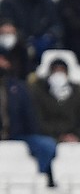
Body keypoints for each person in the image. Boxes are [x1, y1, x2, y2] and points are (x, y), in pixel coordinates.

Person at [0, 44, 56, 175]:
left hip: (16, 134)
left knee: (47, 145)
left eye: (3, 59)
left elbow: (30, 115)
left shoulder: (19, 87)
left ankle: (39, 177)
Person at [29, 57, 80, 145]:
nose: (58, 74)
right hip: (49, 136)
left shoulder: (77, 92)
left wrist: (77, 136)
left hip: (75, 135)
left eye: (62, 71)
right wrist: (59, 136)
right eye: (55, 71)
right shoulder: (39, 91)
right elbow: (38, 121)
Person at [0, 0, 63, 64]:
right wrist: (23, 40)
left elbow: (57, 25)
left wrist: (49, 37)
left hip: (44, 53)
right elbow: (6, 23)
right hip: (18, 53)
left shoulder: (46, 1)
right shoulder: (10, 1)